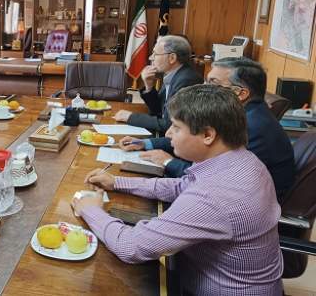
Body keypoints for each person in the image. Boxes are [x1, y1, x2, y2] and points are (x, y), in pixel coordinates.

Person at [73, 85, 283, 294]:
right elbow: (182, 186)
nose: (168, 133)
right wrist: (117, 182)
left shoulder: (214, 196)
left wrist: (90, 209)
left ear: (208, 135)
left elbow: (130, 247)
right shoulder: (242, 160)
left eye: (176, 127)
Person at [119, 57, 295, 200]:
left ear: (240, 94)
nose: (204, 88)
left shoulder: (251, 126)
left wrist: (168, 162)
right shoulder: (241, 114)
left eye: (213, 83)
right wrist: (147, 143)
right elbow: (192, 137)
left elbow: (208, 177)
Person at [114, 35, 202, 134]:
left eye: (155, 54)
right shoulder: (173, 74)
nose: (150, 58)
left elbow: (169, 125)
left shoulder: (186, 80)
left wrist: (130, 117)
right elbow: (158, 111)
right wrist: (149, 86)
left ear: (172, 58)